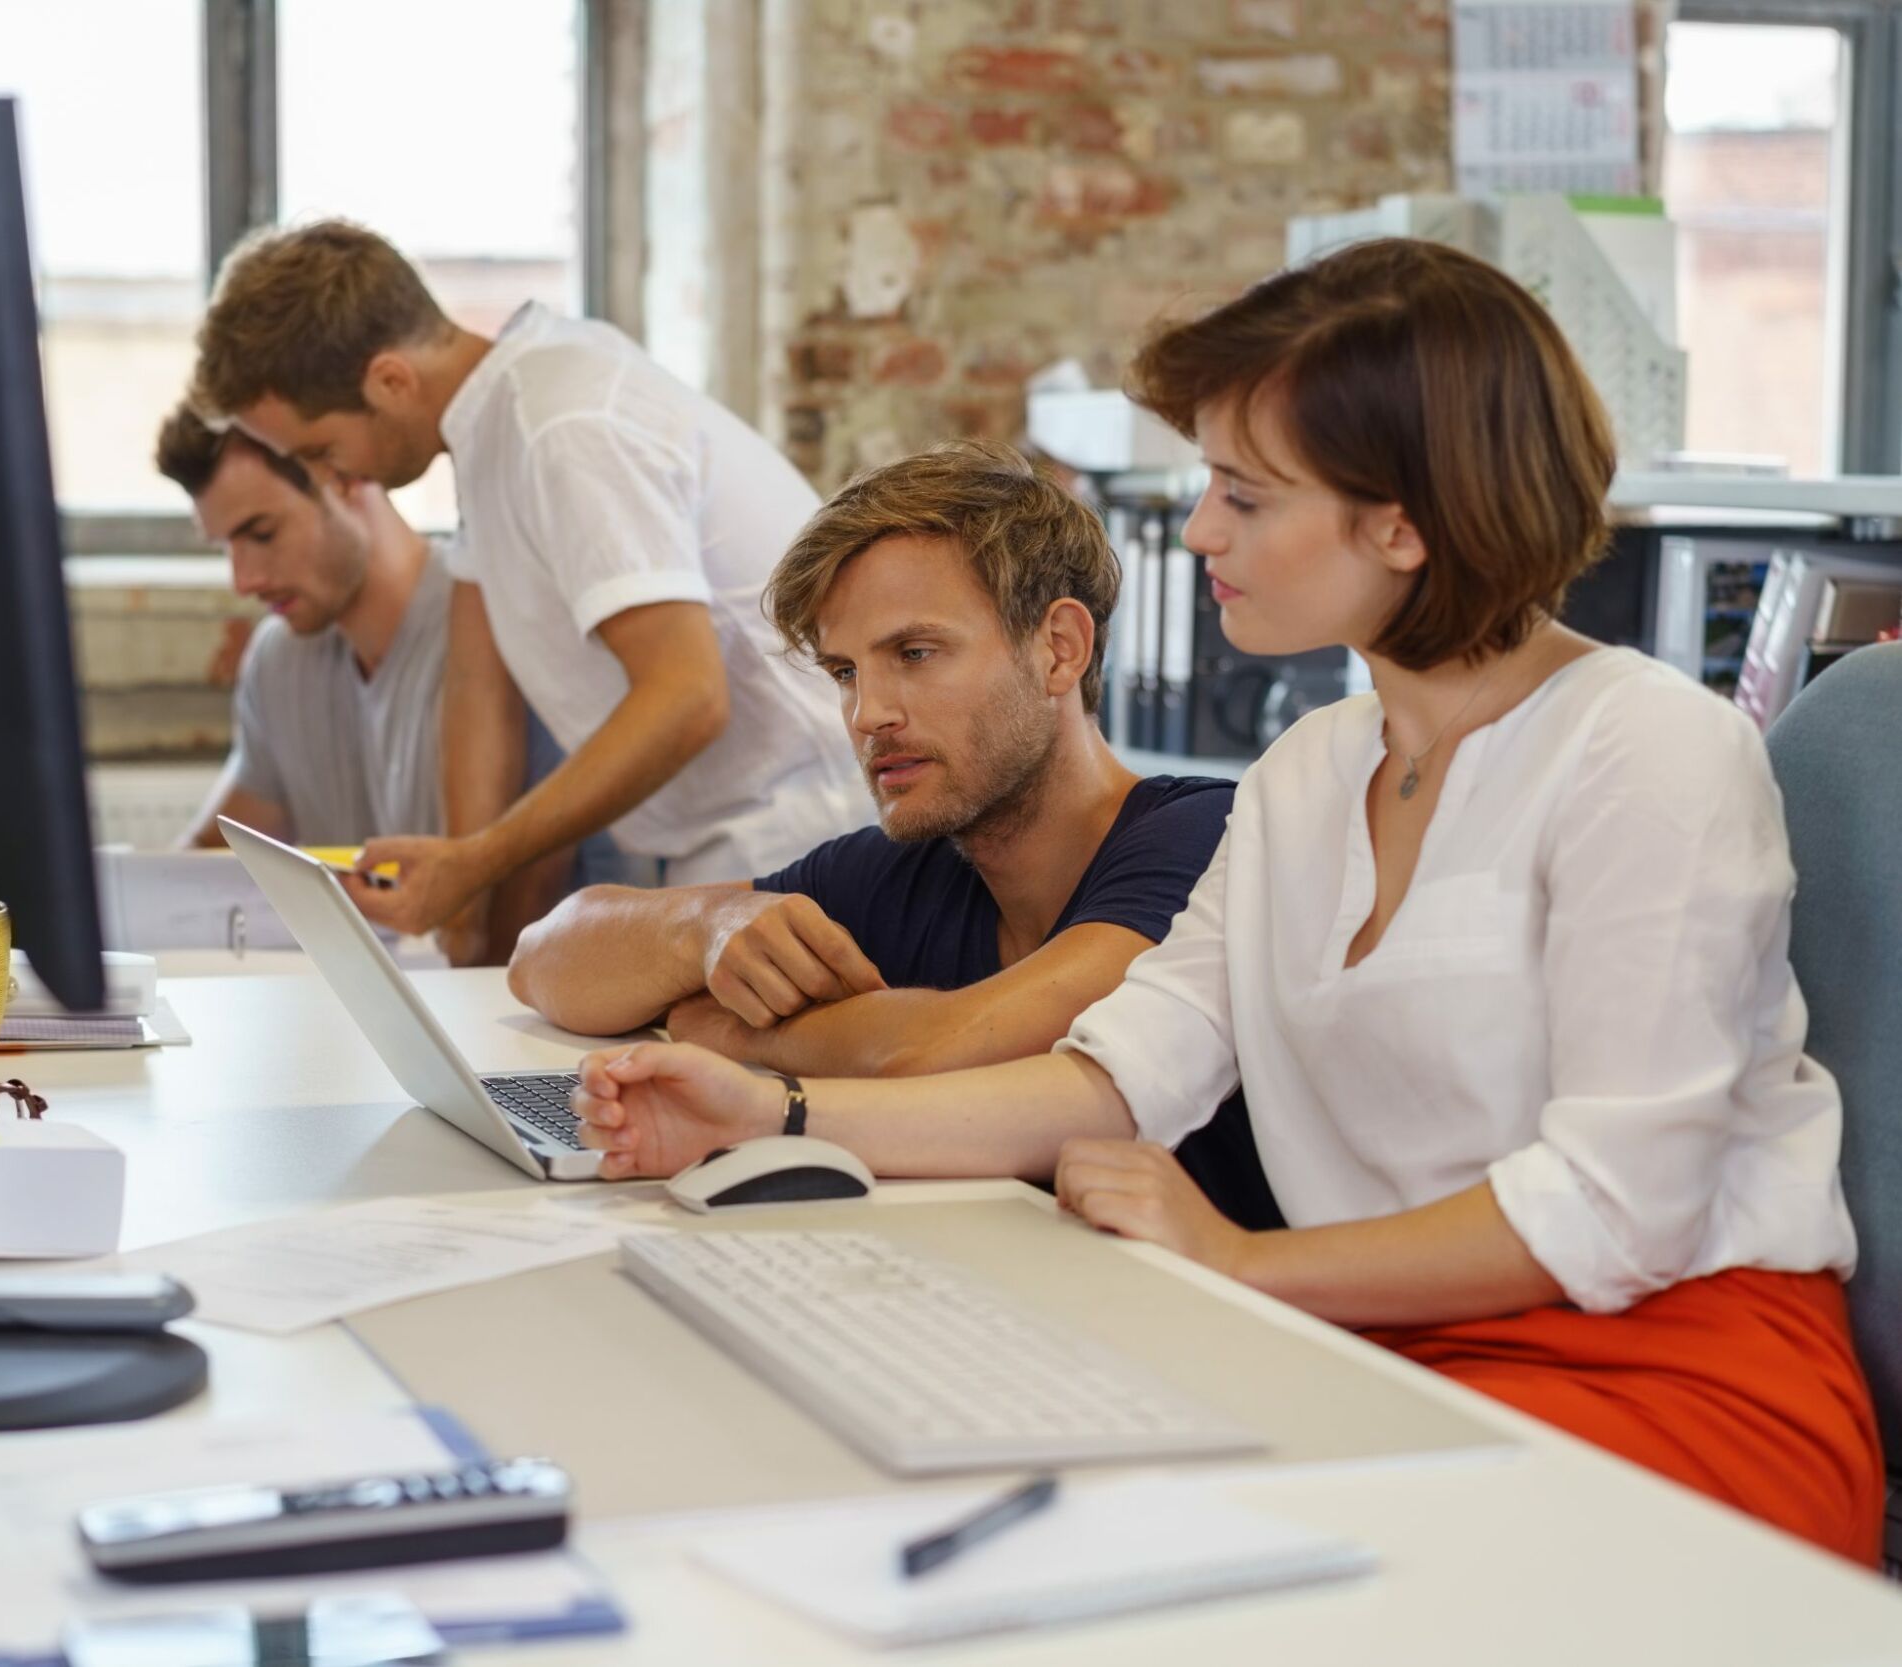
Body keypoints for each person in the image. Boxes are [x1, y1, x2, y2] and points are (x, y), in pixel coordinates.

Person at [558, 239, 1884, 1564]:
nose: (1199, 531)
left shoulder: (1646, 750)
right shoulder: (1307, 772)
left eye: (1243, 494)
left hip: (1666, 1380)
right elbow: (1111, 1077)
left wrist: (1246, 1267)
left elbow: (1613, 1203)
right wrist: (779, 1114)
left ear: (1402, 521)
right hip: (1373, 1348)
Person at [187, 221, 872, 943]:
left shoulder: (561, 424)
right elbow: (479, 686)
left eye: (322, 449)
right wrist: (461, 910)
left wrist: (476, 860)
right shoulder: (490, 427)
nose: (333, 477)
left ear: (390, 379)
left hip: (803, 829)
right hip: (728, 835)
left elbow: (688, 697)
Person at [507, 442, 1235, 1081]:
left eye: (915, 654)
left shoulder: (1204, 840)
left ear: (1059, 649)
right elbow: (540, 962)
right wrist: (707, 923)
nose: (868, 715)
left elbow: (937, 1048)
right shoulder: (895, 872)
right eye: (846, 672)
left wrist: (732, 1030)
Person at [153, 404, 566, 957]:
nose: (243, 579)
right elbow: (207, 858)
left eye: (262, 533)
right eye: (226, 546)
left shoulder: (492, 632)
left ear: (346, 477)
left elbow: (516, 926)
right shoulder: (279, 658)